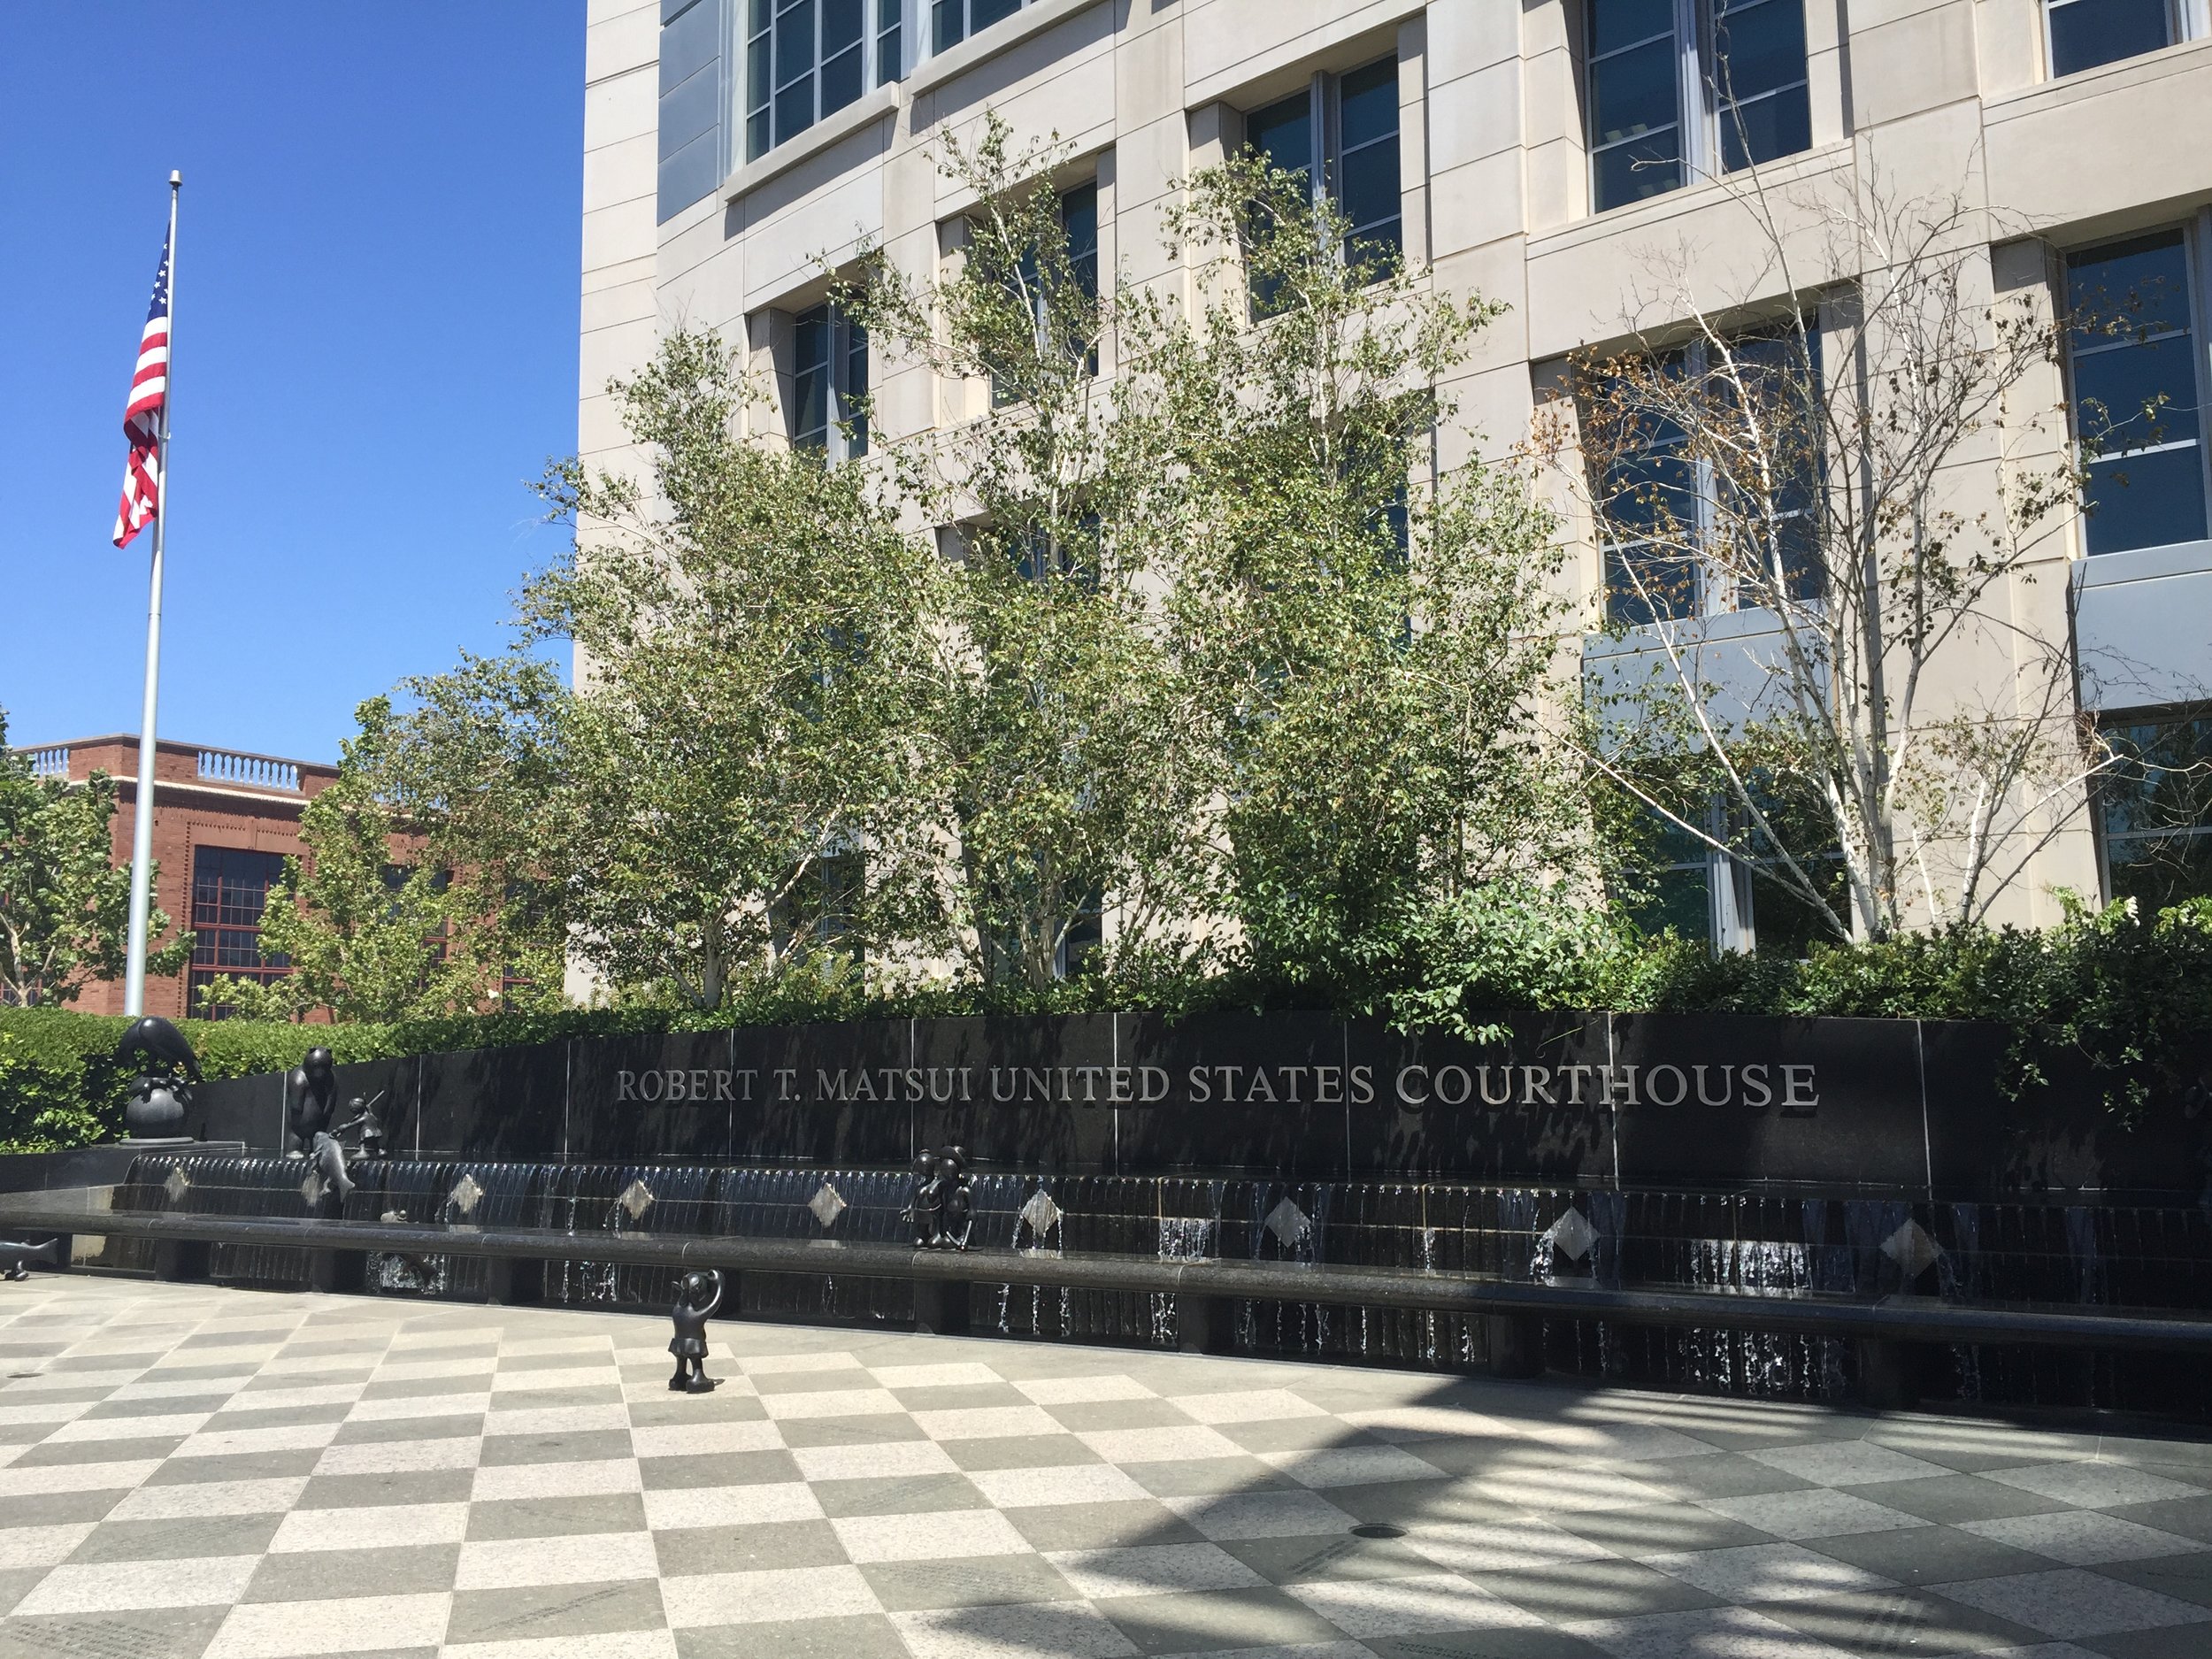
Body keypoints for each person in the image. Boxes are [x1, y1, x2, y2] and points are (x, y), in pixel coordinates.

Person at [287, 1048, 355, 1209]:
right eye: (317, 1067)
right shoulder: (298, 1076)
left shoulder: (330, 1077)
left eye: (323, 1068)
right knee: (296, 1136)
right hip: (299, 1123)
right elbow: (295, 1102)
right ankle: (295, 1148)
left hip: (320, 1123)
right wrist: (297, 1108)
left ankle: (315, 1150)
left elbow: (332, 1097)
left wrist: (328, 1110)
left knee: (318, 1139)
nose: (319, 1073)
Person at [668, 1269, 723, 1393]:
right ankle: (698, 1379)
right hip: (693, 1345)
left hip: (678, 1344)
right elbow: (715, 1303)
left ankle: (678, 1378)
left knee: (681, 1361)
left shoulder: (678, 1308)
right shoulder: (695, 1314)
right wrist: (720, 1284)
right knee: (696, 1362)